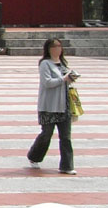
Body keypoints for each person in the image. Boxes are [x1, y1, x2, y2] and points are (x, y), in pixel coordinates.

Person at [27, 38, 78, 175]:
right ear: (48, 49)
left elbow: (64, 81)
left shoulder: (62, 63)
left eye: (59, 46)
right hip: (49, 106)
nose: (57, 49)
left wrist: (70, 78)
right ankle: (34, 156)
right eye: (54, 47)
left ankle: (67, 166)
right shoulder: (45, 64)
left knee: (66, 137)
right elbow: (47, 82)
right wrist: (63, 79)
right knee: (46, 135)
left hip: (64, 105)